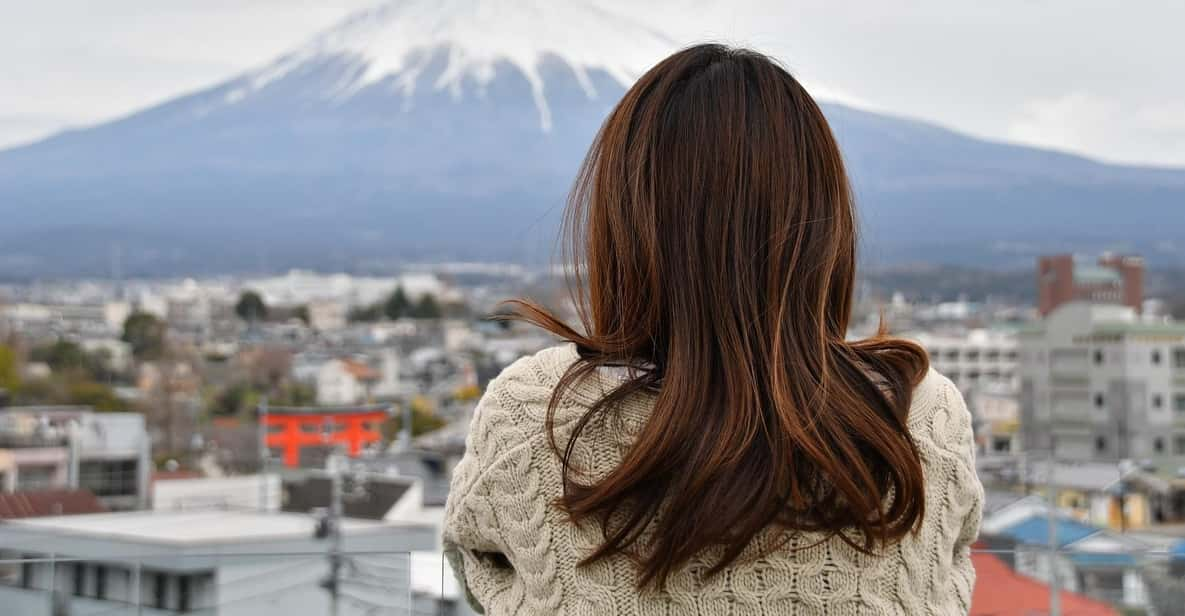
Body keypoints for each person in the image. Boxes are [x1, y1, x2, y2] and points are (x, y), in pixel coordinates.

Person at [444, 43, 983, 615]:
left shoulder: (537, 415)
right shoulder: (918, 419)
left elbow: (477, 566)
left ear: (622, 221)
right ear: (823, 225)